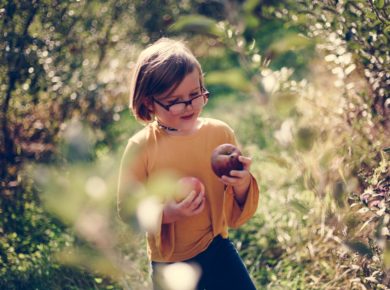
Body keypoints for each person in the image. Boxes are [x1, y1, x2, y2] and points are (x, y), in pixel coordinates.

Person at [117, 37, 259, 290]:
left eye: (195, 94)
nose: (189, 105)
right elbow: (128, 208)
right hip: (171, 262)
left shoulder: (219, 134)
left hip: (217, 246)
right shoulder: (142, 148)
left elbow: (236, 208)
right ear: (149, 102)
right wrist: (168, 213)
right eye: (174, 101)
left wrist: (242, 183)